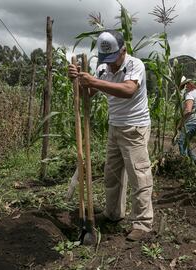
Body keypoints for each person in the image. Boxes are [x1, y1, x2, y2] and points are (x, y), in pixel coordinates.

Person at [68, 30, 153, 241]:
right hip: (114, 126)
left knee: (138, 176)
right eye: (107, 59)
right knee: (112, 174)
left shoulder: (135, 65)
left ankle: (142, 223)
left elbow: (128, 90)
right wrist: (78, 80)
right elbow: (87, 94)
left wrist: (93, 81)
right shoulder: (103, 67)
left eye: (114, 58)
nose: (111, 64)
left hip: (134, 128)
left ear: (124, 50)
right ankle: (113, 213)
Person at [176, 76, 196, 164]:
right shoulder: (195, 92)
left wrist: (180, 124)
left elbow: (188, 110)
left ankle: (185, 164)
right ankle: (193, 159)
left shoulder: (189, 94)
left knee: (181, 141)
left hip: (193, 120)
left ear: (186, 85)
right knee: (186, 141)